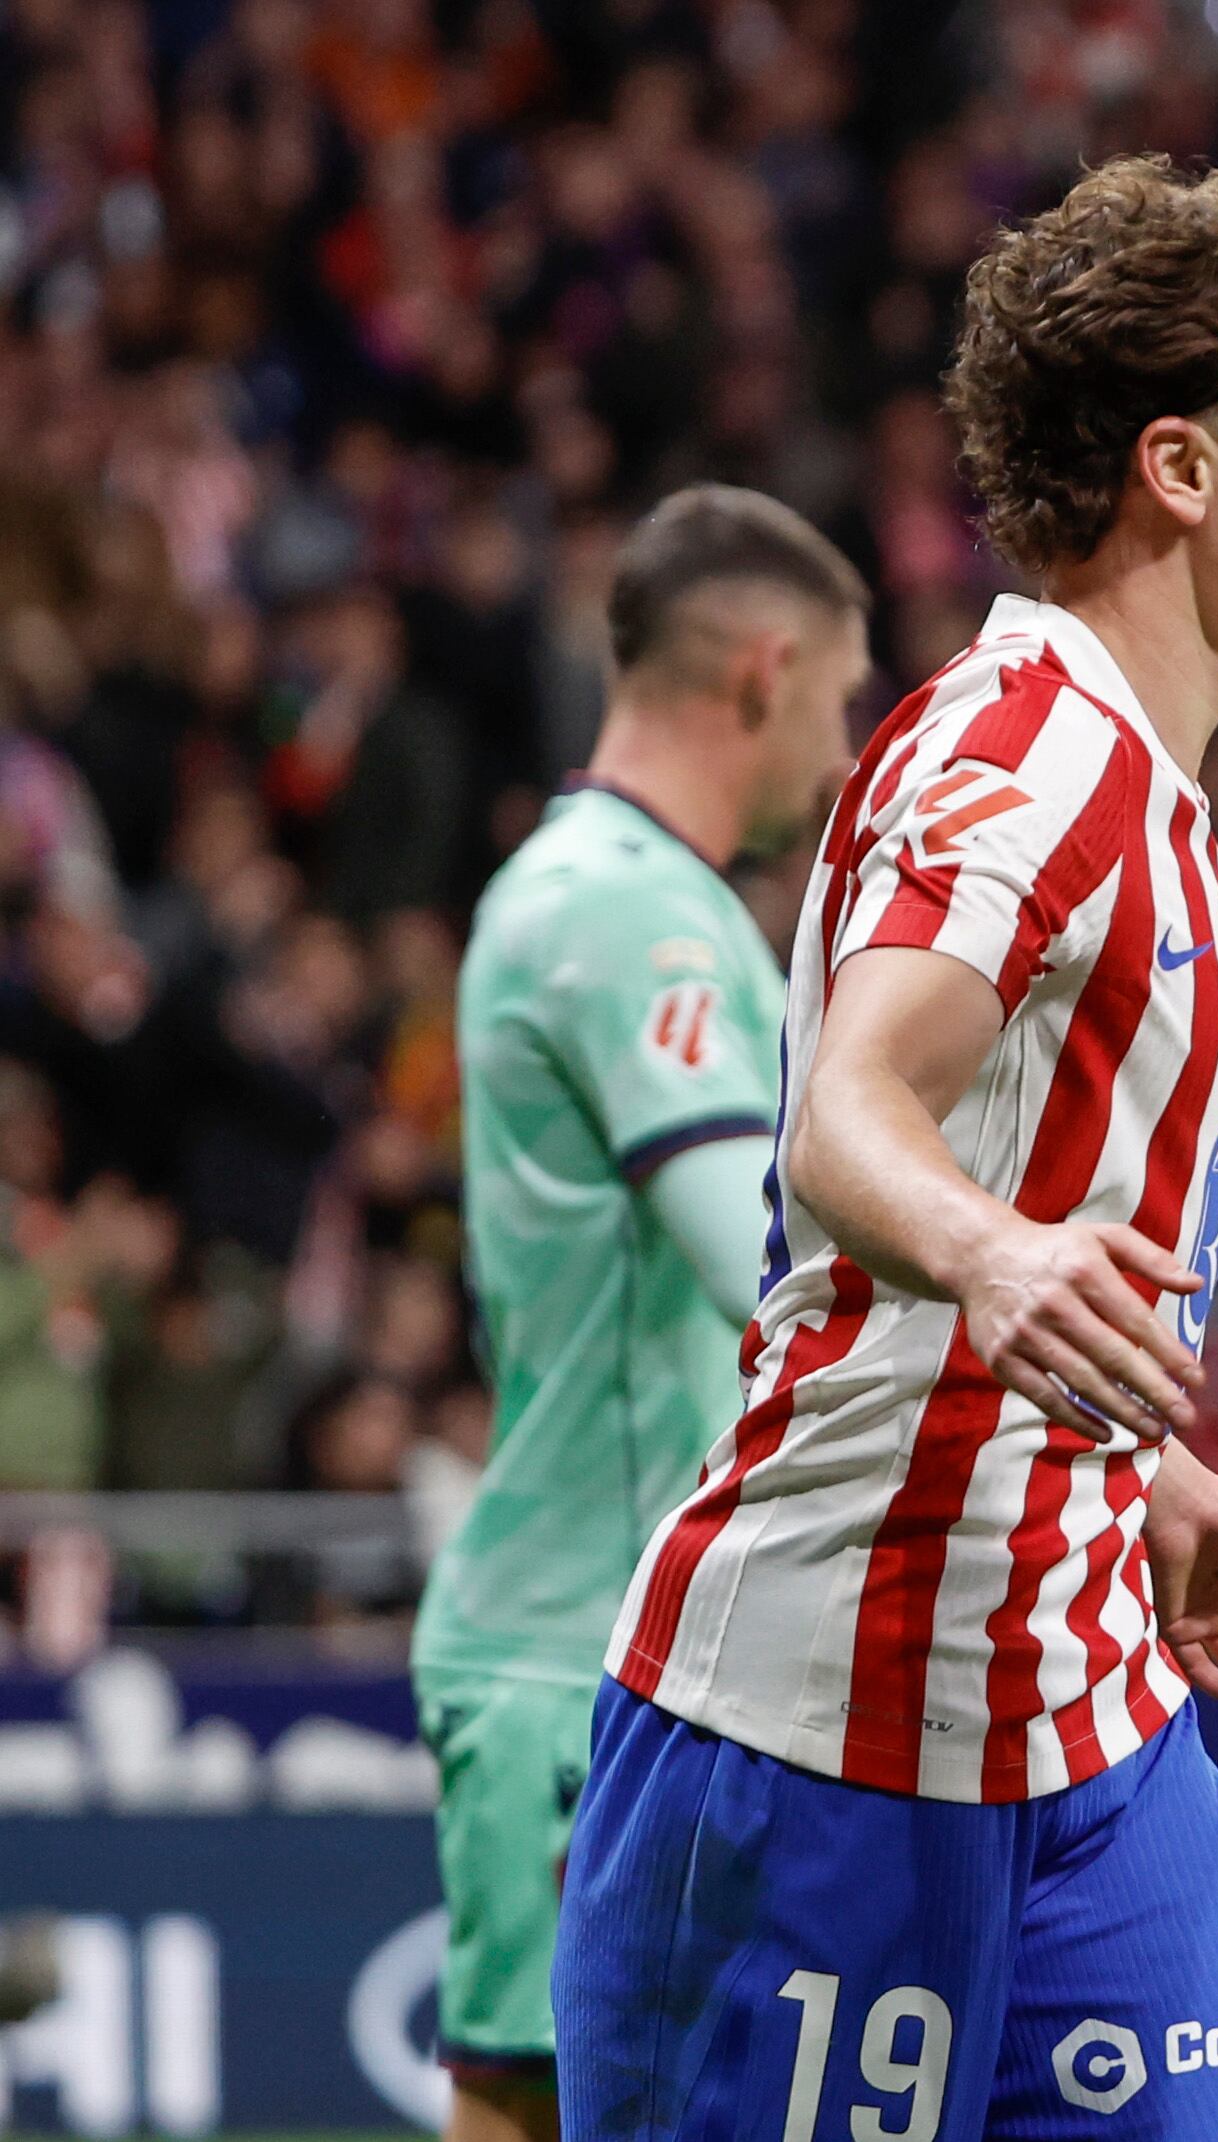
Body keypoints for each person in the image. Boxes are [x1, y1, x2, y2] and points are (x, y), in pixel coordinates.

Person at [551, 159, 1218, 2142]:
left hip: (1086, 1708)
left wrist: (1137, 1465)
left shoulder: (1140, 792)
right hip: (816, 1734)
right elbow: (854, 1106)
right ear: (1183, 470)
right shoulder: (1022, 761)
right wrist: (996, 1259)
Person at [413, 483, 871, 2142]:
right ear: (760, 673)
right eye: (836, 698)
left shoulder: (639, 901)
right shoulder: (619, 912)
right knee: (551, 2116)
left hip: (649, 1643)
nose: (842, 757)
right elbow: (783, 1265)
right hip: (582, 1648)